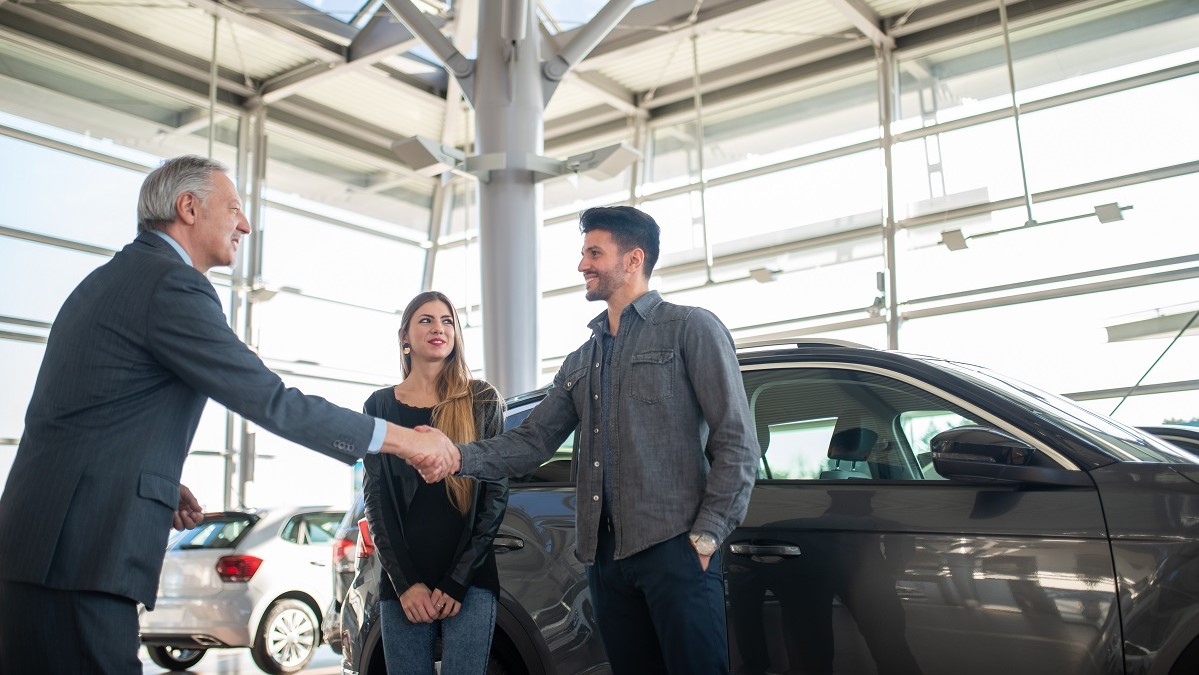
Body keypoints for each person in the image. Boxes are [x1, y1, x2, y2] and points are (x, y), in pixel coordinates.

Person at [0, 155, 455, 674]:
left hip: (39, 542)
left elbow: (88, 411)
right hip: (86, 552)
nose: (245, 224)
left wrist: (152, 483)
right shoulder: (172, 284)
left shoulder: (109, 280)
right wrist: (404, 440)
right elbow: (272, 401)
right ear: (188, 208)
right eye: (234, 208)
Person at [416, 206, 759, 674]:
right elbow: (531, 442)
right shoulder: (581, 360)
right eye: (583, 253)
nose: (582, 265)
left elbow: (736, 439)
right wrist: (455, 455)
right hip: (605, 562)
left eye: (594, 253)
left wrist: (706, 537)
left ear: (634, 259)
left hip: (675, 549)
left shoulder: (690, 328)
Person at [362, 290, 508, 675]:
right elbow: (376, 502)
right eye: (426, 320)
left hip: (470, 580)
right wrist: (406, 583)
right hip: (404, 583)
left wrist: (458, 581)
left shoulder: (482, 400)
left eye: (447, 321)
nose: (438, 328)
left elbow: (495, 496)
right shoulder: (379, 406)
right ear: (405, 338)